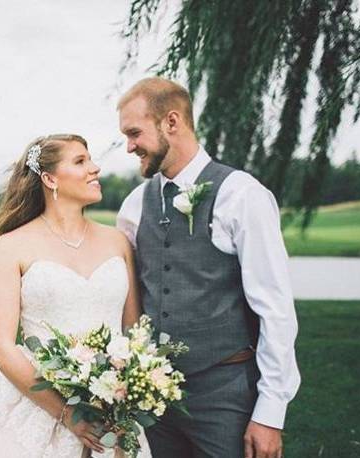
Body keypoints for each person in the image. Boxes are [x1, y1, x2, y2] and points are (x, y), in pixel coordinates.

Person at [0, 134, 152, 457]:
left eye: (91, 159)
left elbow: (134, 330)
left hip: (113, 408)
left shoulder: (117, 242)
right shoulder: (11, 247)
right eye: (80, 161)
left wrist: (127, 392)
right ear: (49, 178)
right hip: (38, 400)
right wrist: (68, 414)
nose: (95, 168)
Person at [116, 77, 301, 458]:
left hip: (226, 393)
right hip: (155, 399)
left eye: (134, 133)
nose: (129, 146)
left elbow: (276, 308)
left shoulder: (242, 195)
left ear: (171, 122)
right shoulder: (134, 206)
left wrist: (270, 413)